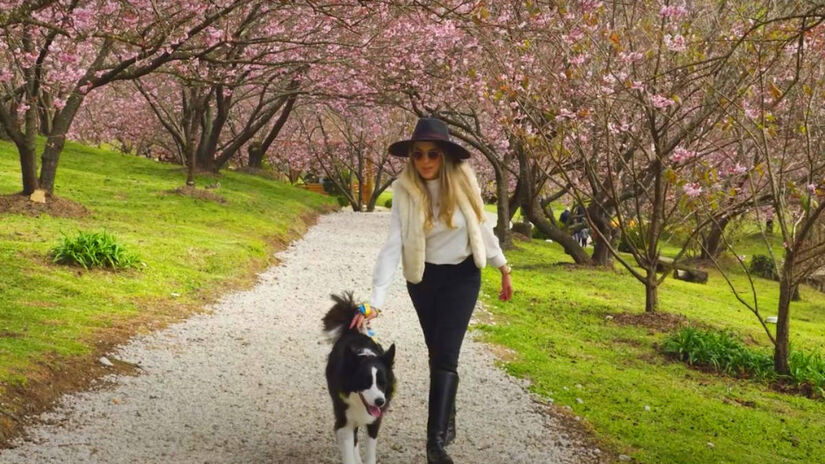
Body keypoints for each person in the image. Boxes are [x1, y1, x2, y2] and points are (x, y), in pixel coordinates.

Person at [351, 117, 514, 464]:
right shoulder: (405, 190)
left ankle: (435, 445)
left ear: (445, 156)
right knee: (437, 352)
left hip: (463, 278)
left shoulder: (464, 183)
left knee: (447, 355)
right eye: (418, 154)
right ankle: (447, 418)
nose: (425, 161)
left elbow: (483, 228)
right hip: (424, 281)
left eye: (433, 154)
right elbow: (393, 245)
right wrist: (375, 301)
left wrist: (503, 268)